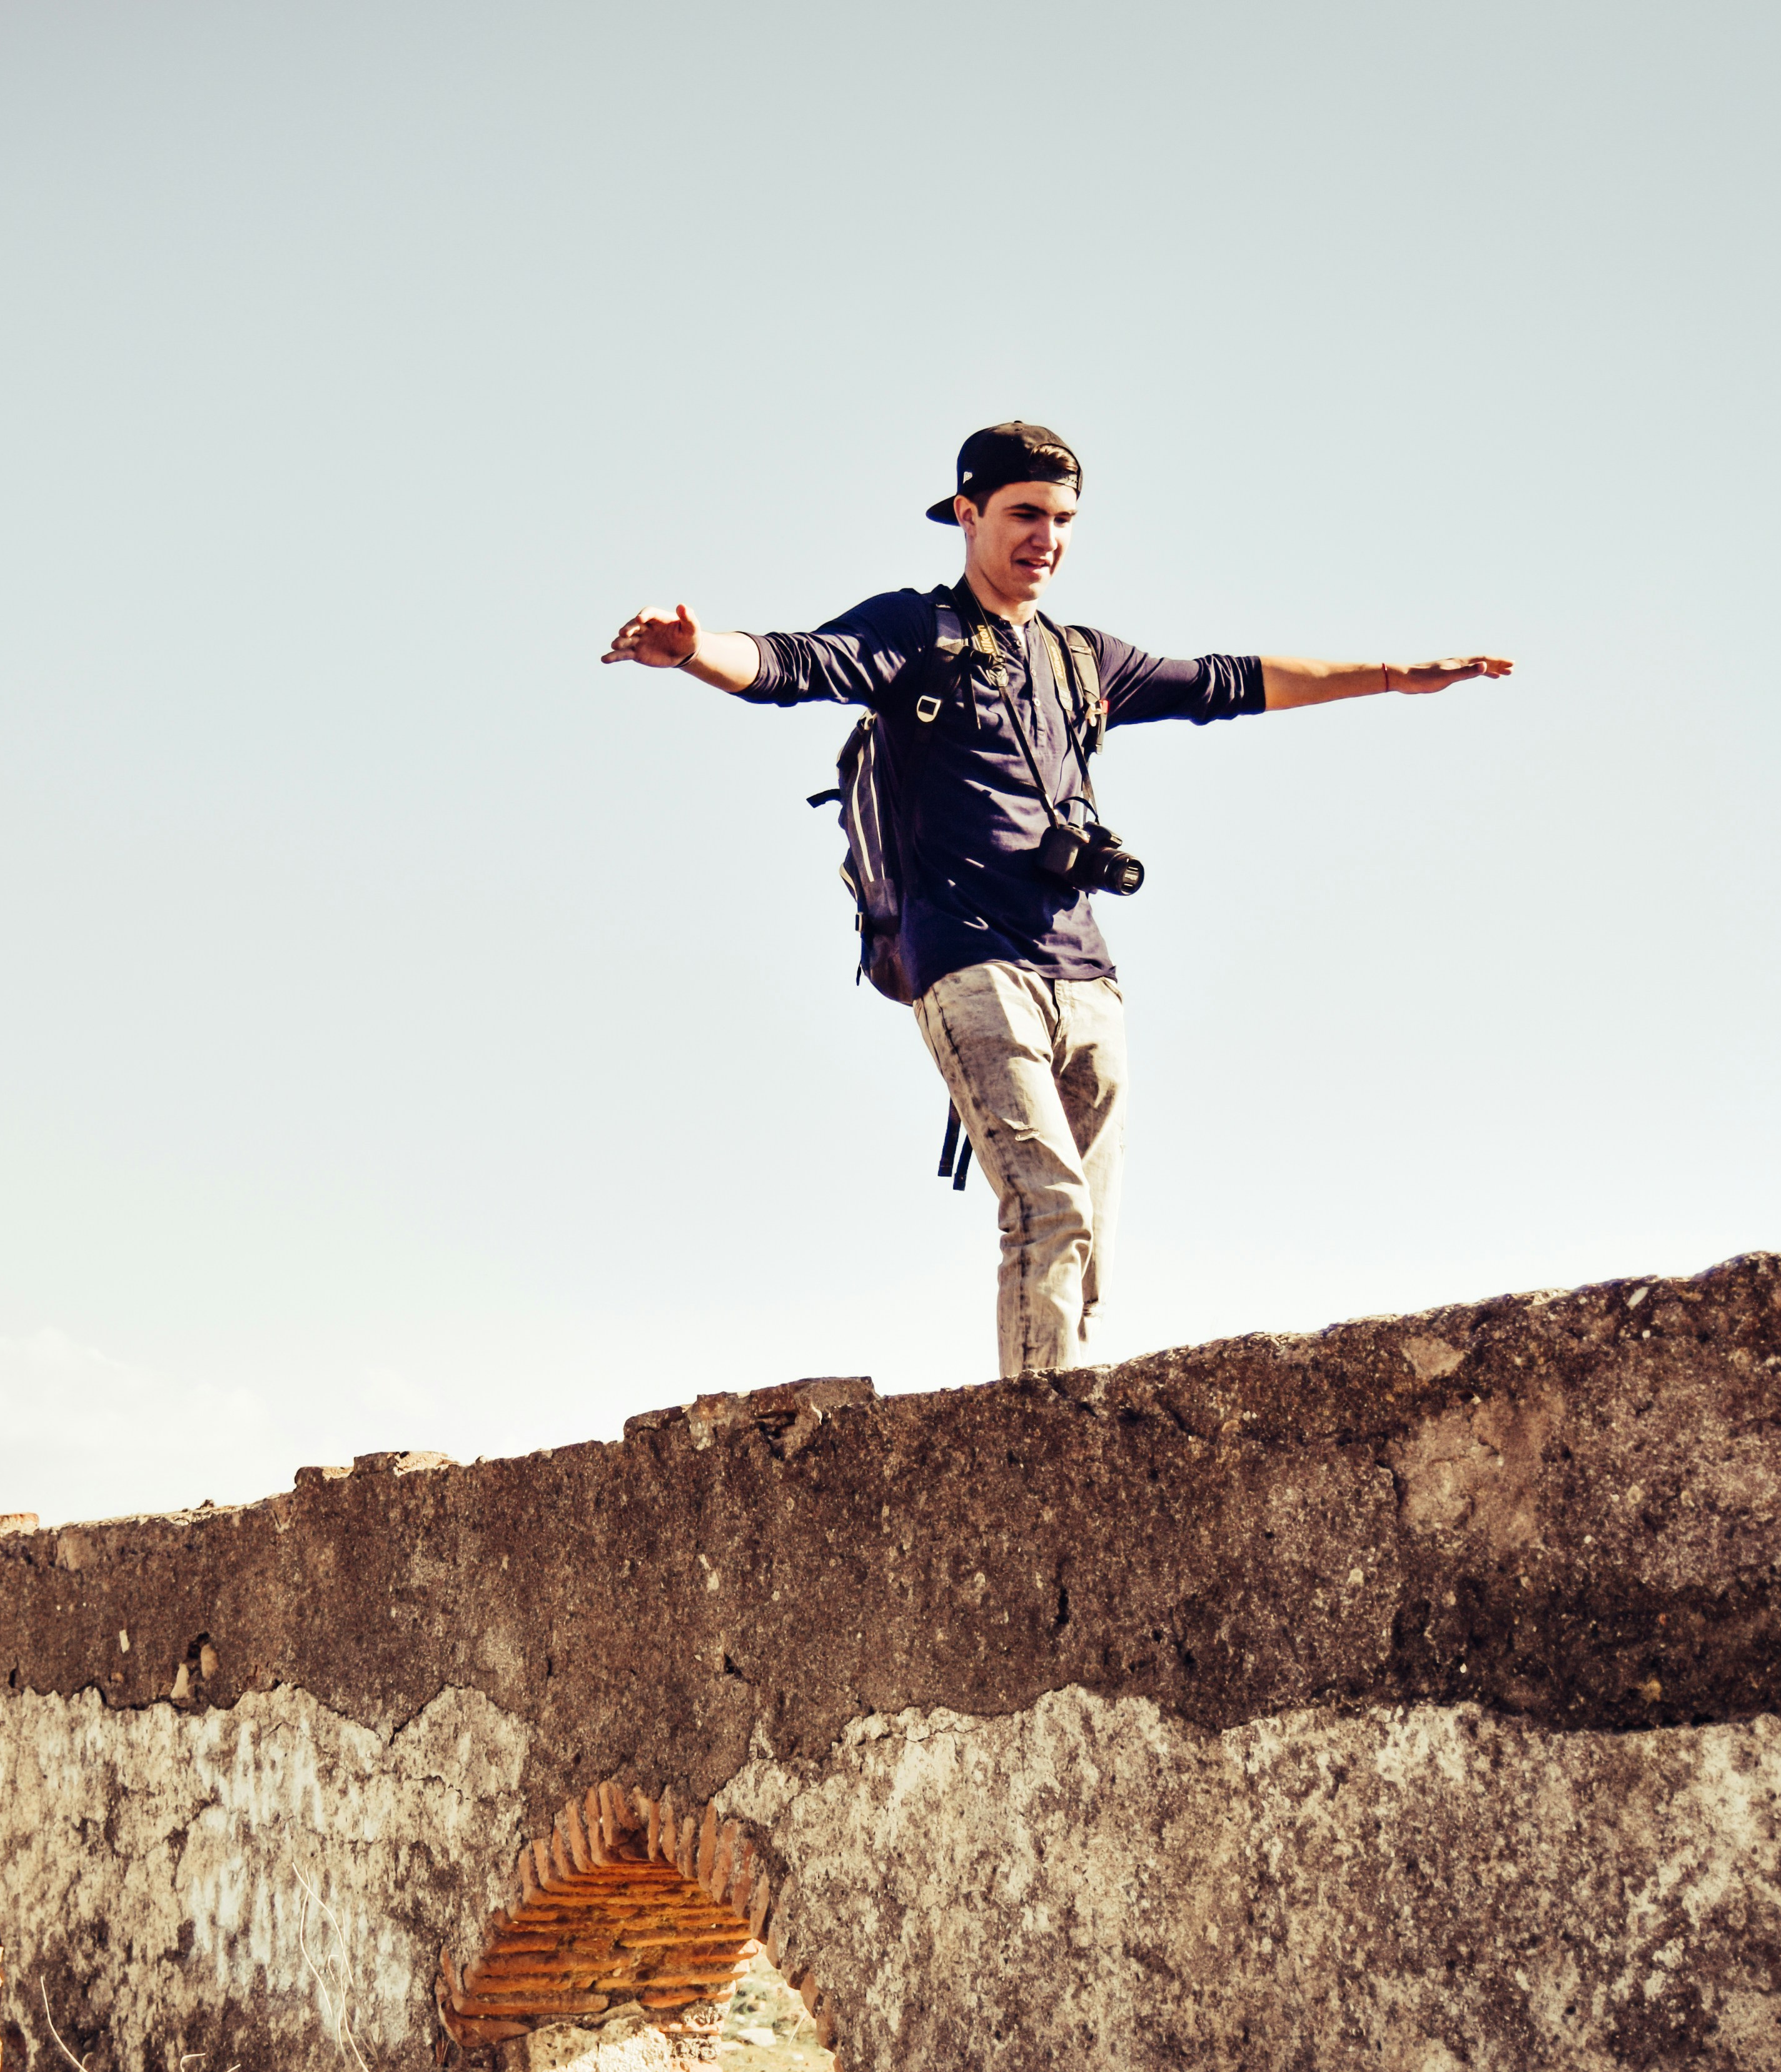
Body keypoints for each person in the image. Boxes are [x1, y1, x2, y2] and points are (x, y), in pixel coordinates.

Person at [602, 420, 1510, 1379]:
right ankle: (1040, 1446)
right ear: (968, 514)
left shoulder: (1084, 661)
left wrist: (1390, 679)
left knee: (1092, 1249)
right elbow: (796, 664)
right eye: (1025, 513)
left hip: (1086, 975)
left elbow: (1229, 684)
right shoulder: (920, 631)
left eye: (1064, 519)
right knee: (1050, 1206)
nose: (1048, 537)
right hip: (970, 962)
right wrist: (700, 650)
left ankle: (1072, 1419)